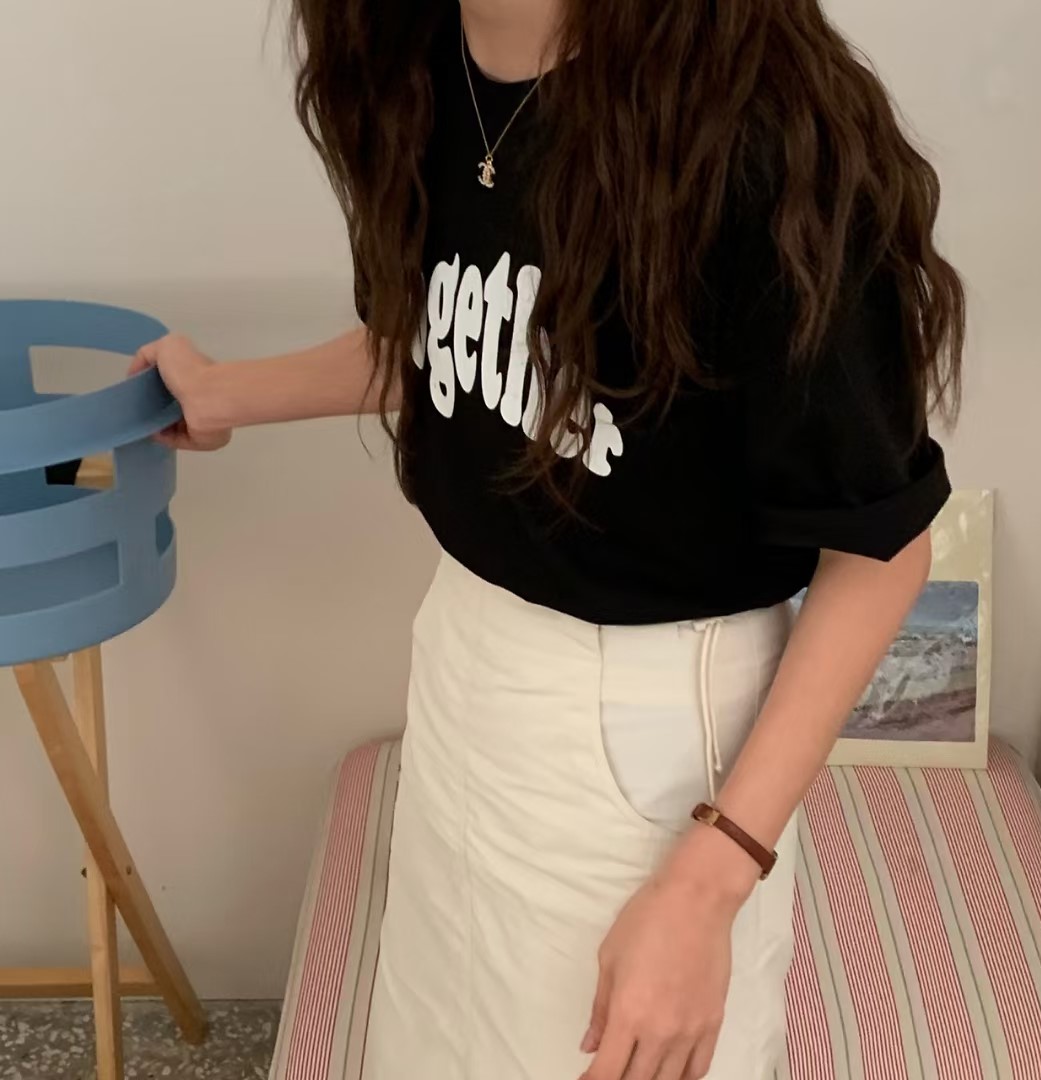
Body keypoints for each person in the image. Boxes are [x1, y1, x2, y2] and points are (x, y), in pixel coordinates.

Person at [131, 1, 965, 1077]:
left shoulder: (762, 133)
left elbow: (881, 551)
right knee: (434, 1047)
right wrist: (227, 392)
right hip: (464, 652)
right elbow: (455, 333)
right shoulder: (414, 58)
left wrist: (710, 877)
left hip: (655, 712)